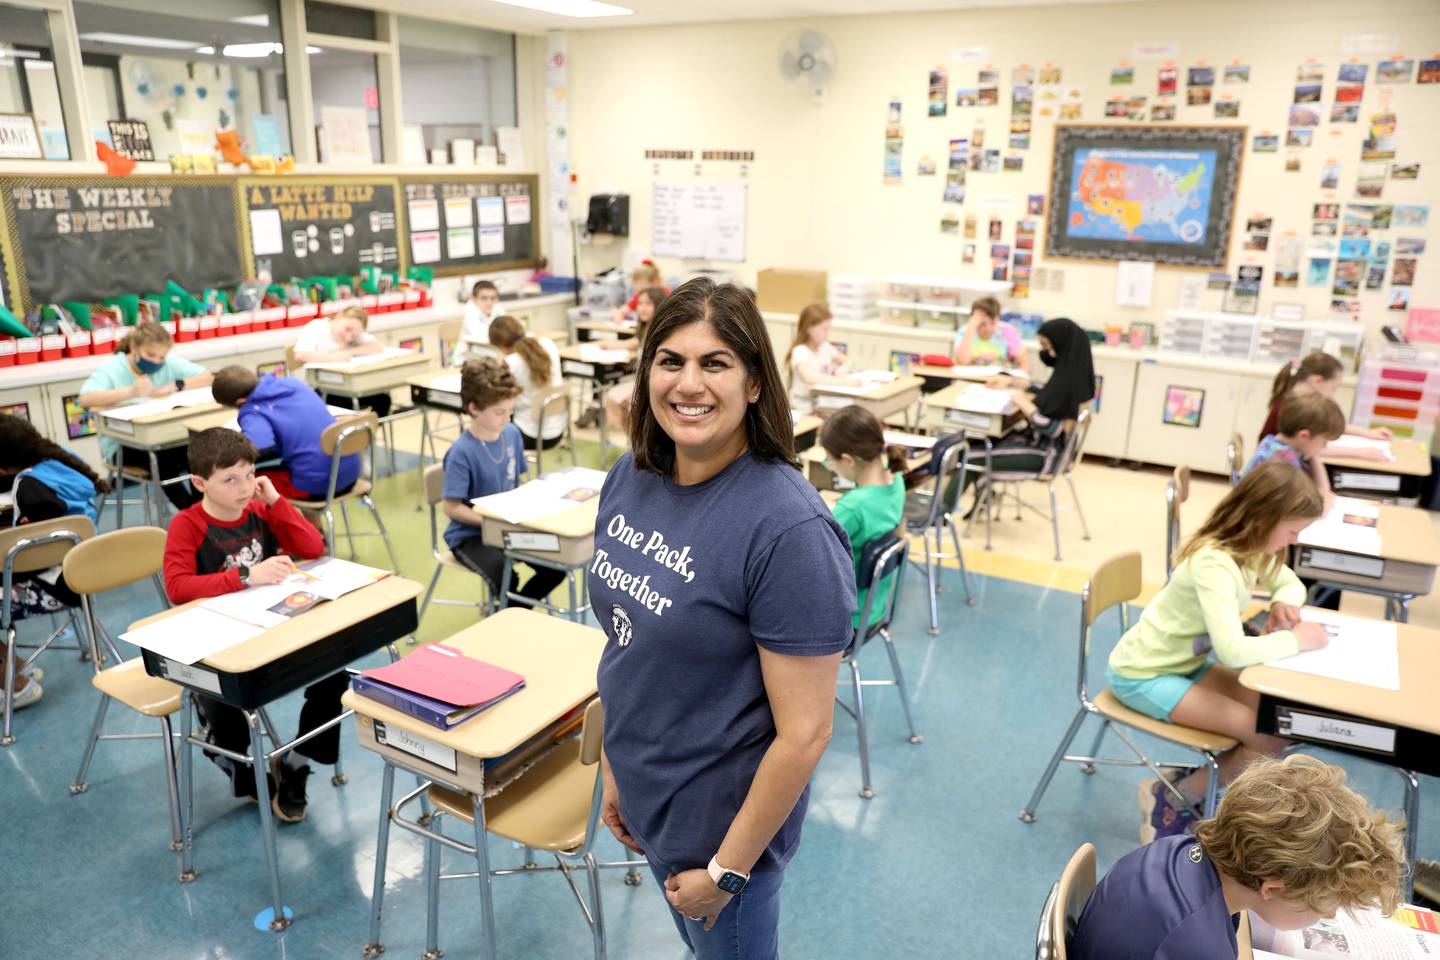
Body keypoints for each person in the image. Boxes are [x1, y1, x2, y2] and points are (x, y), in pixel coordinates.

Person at [593, 278, 856, 958]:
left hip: (721, 835)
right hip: (649, 795)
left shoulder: (787, 529)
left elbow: (806, 733)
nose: (689, 384)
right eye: (671, 360)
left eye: (716, 363)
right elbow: (627, 641)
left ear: (756, 383)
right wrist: (616, 766)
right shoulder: (631, 477)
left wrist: (726, 873)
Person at [1107, 461, 1328, 843]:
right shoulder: (1215, 562)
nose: (1294, 540)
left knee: (1274, 717)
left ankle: (1188, 785)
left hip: (1182, 665)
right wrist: (1297, 640)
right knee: (1268, 738)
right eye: (1292, 530)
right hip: (1142, 674)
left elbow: (1288, 581)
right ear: (1263, 519)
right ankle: (1175, 799)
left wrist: (1282, 603)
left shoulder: (1249, 549)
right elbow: (1231, 651)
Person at [1069, 755, 1404, 960]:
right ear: (1272, 888)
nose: (1329, 912)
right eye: (1326, 903)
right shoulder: (1197, 947)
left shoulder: (1176, 849)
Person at [162, 428, 334, 822]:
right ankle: (245, 773)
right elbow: (177, 587)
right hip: (215, 642)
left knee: (333, 673)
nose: (244, 487)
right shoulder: (188, 525)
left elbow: (313, 549)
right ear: (200, 483)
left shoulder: (260, 509)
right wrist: (244, 576)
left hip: (268, 627)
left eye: (249, 474)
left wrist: (275, 500)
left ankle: (296, 762)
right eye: (230, 480)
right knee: (223, 704)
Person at [440, 358, 566, 609]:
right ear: (474, 408)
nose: (507, 419)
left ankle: (516, 612)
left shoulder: (511, 434)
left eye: (511, 411)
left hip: (507, 527)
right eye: (499, 412)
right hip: (470, 536)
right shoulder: (462, 452)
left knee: (557, 565)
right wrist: (491, 520)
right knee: (507, 576)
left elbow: (515, 483)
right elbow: (451, 508)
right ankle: (511, 617)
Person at [0, 414, 105, 709]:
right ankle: (14, 664)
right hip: (85, 572)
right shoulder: (61, 462)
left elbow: (28, 555)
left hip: (54, 586)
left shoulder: (29, 488)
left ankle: (16, 686)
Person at [959, 316, 1095, 509]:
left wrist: (1024, 403)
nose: (1048, 353)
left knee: (968, 456)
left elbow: (1052, 429)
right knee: (975, 445)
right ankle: (982, 501)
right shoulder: (1072, 376)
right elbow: (1050, 393)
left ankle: (940, 517)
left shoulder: (1068, 386)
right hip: (1046, 447)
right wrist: (1015, 383)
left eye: (1048, 347)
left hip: (1047, 455)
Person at [77, 321, 213, 509]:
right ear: (134, 347)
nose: (156, 362)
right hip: (122, 446)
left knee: (197, 452)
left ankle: (201, 509)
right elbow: (85, 399)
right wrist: (132, 391)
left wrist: (176, 385)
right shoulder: (112, 368)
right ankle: (190, 512)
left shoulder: (168, 363)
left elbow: (207, 377)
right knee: (163, 461)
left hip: (162, 439)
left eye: (161, 357)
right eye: (150, 355)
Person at [211, 365, 360, 501]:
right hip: (350, 473)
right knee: (302, 463)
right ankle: (314, 530)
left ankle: (274, 530)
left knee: (245, 483)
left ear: (240, 403)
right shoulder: (291, 383)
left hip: (318, 486)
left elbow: (260, 447)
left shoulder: (252, 410)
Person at [818, 405, 907, 630]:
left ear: (848, 461)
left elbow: (814, 554)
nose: (831, 467)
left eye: (830, 461)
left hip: (846, 620)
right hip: (873, 609)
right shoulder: (896, 480)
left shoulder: (854, 508)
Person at [1260, 352, 1392, 456]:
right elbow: (1315, 449)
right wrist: (1361, 452)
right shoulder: (1291, 406)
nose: (1333, 395)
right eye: (1333, 388)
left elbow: (1324, 426)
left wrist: (1368, 433)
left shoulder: (1301, 401)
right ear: (1317, 381)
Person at [1243, 390, 1346, 500]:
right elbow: (1318, 499)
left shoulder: (1277, 443)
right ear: (1303, 436)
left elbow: (1322, 492)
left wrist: (1313, 455)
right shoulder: (1282, 461)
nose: (1324, 446)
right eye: (1324, 441)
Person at [292, 305, 391, 418]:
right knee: (349, 406)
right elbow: (300, 355)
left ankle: (365, 433)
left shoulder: (354, 331)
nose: (349, 337)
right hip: (319, 390)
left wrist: (351, 351)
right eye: (347, 329)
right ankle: (353, 432)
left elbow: (376, 347)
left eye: (353, 336)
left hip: (344, 388)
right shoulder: (317, 327)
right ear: (339, 316)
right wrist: (333, 358)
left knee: (383, 399)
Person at [488, 315, 566, 451]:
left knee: (489, 419)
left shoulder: (511, 363)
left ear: (501, 346)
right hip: (558, 431)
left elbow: (497, 397)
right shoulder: (548, 344)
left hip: (529, 436)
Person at [602, 286, 665, 430]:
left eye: (648, 304)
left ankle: (637, 443)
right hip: (639, 383)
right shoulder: (645, 328)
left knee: (627, 404)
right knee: (611, 397)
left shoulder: (660, 333)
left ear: (658, 304)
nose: (642, 308)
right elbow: (636, 342)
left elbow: (655, 374)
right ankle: (628, 443)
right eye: (640, 303)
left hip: (650, 386)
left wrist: (636, 394)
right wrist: (612, 345)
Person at [784, 302, 861, 411]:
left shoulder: (825, 347)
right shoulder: (800, 352)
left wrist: (843, 369)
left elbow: (847, 361)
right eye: (824, 329)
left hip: (824, 402)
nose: (828, 333)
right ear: (809, 328)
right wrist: (843, 382)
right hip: (804, 407)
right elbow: (810, 378)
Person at [952, 296, 1029, 375]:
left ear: (998, 318)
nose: (987, 328)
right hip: (971, 378)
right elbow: (963, 362)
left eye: (992, 323)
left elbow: (1024, 365)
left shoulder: (1008, 331)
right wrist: (971, 326)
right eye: (982, 323)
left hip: (1000, 379)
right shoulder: (965, 331)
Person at [453, 280, 504, 366]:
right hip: (466, 360)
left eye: (493, 298)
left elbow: (506, 329)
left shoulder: (497, 308)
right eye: (484, 298)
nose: (489, 302)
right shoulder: (470, 311)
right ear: (474, 299)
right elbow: (480, 334)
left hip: (490, 356)